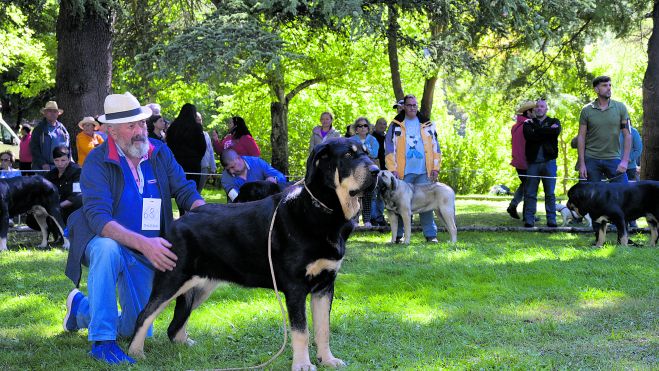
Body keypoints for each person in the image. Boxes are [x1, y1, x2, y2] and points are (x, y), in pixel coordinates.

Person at [62, 92, 205, 365]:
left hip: (145, 251)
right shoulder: (96, 161)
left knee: (135, 328)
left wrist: (211, 212)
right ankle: (102, 341)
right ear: (111, 131)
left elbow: (185, 190)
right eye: (131, 126)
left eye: (141, 123)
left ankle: (81, 308)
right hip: (103, 239)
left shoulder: (160, 152)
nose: (140, 131)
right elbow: (98, 218)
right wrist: (145, 244)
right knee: (107, 249)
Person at [384, 94, 442, 243]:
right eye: (409, 105)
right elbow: (389, 149)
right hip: (403, 172)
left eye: (414, 105)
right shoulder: (395, 124)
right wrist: (392, 169)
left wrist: (436, 167)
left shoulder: (427, 124)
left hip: (424, 171)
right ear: (404, 106)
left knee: (427, 203)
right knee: (401, 205)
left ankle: (431, 235)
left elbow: (436, 147)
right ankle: (399, 235)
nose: (412, 108)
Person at [577, 76, 632, 183]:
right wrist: (582, 164)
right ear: (596, 89)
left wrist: (625, 161)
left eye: (610, 85)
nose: (609, 88)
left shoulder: (620, 107)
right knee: (590, 195)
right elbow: (581, 136)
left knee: (623, 191)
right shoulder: (586, 110)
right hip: (591, 159)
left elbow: (628, 135)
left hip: (613, 158)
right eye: (604, 85)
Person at [26, 145, 82, 235]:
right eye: (56, 160)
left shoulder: (77, 172)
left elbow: (77, 196)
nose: (60, 163)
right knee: (31, 218)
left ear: (69, 159)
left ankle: (69, 233)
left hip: (71, 209)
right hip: (53, 208)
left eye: (63, 160)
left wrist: (57, 207)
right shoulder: (50, 175)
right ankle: (55, 232)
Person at [522, 99, 561, 228]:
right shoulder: (528, 123)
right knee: (530, 193)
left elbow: (555, 132)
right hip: (533, 163)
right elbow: (530, 137)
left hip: (549, 162)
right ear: (534, 109)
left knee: (550, 193)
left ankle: (551, 219)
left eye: (542, 106)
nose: (539, 108)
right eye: (537, 106)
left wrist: (538, 131)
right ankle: (529, 219)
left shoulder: (554, 122)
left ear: (546, 109)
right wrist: (546, 131)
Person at [166, 103, 207, 190]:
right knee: (192, 188)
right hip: (193, 164)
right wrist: (196, 158)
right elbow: (202, 146)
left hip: (177, 162)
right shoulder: (197, 127)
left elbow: (169, 144)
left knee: (179, 187)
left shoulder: (173, 127)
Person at [220, 149, 286, 202]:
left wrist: (274, 179)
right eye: (228, 170)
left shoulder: (257, 162)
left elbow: (281, 177)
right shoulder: (225, 178)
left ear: (239, 158)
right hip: (238, 211)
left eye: (232, 167)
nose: (231, 172)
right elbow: (236, 199)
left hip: (264, 208)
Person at [506, 101, 535, 220]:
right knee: (530, 187)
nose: (537, 111)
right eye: (534, 110)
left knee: (526, 185)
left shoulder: (515, 126)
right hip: (525, 161)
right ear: (528, 112)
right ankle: (525, 212)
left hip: (517, 161)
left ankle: (522, 210)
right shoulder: (528, 125)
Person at [350, 117, 379, 228]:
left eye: (365, 125)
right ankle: (355, 220)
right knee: (354, 195)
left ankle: (367, 220)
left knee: (368, 195)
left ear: (368, 128)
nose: (363, 128)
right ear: (356, 129)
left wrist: (365, 149)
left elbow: (374, 154)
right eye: (360, 126)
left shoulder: (373, 140)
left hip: (369, 172)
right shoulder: (351, 140)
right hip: (355, 172)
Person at [30, 101, 71, 171]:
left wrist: (69, 162)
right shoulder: (39, 129)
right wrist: (43, 164)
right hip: (43, 169)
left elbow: (68, 148)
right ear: (45, 113)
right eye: (49, 111)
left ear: (58, 114)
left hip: (61, 168)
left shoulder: (62, 129)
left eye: (55, 111)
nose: (52, 113)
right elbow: (34, 149)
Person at [370, 117, 388, 226]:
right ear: (375, 125)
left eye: (384, 124)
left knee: (382, 195)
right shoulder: (371, 138)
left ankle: (379, 217)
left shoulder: (388, 138)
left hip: (386, 170)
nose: (382, 125)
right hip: (374, 169)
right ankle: (373, 217)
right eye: (380, 123)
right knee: (373, 194)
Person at [197, 112, 217, 192]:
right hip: (193, 169)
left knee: (199, 191)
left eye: (200, 120)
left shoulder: (206, 135)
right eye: (197, 120)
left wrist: (213, 168)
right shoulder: (188, 135)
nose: (199, 122)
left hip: (204, 168)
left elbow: (211, 152)